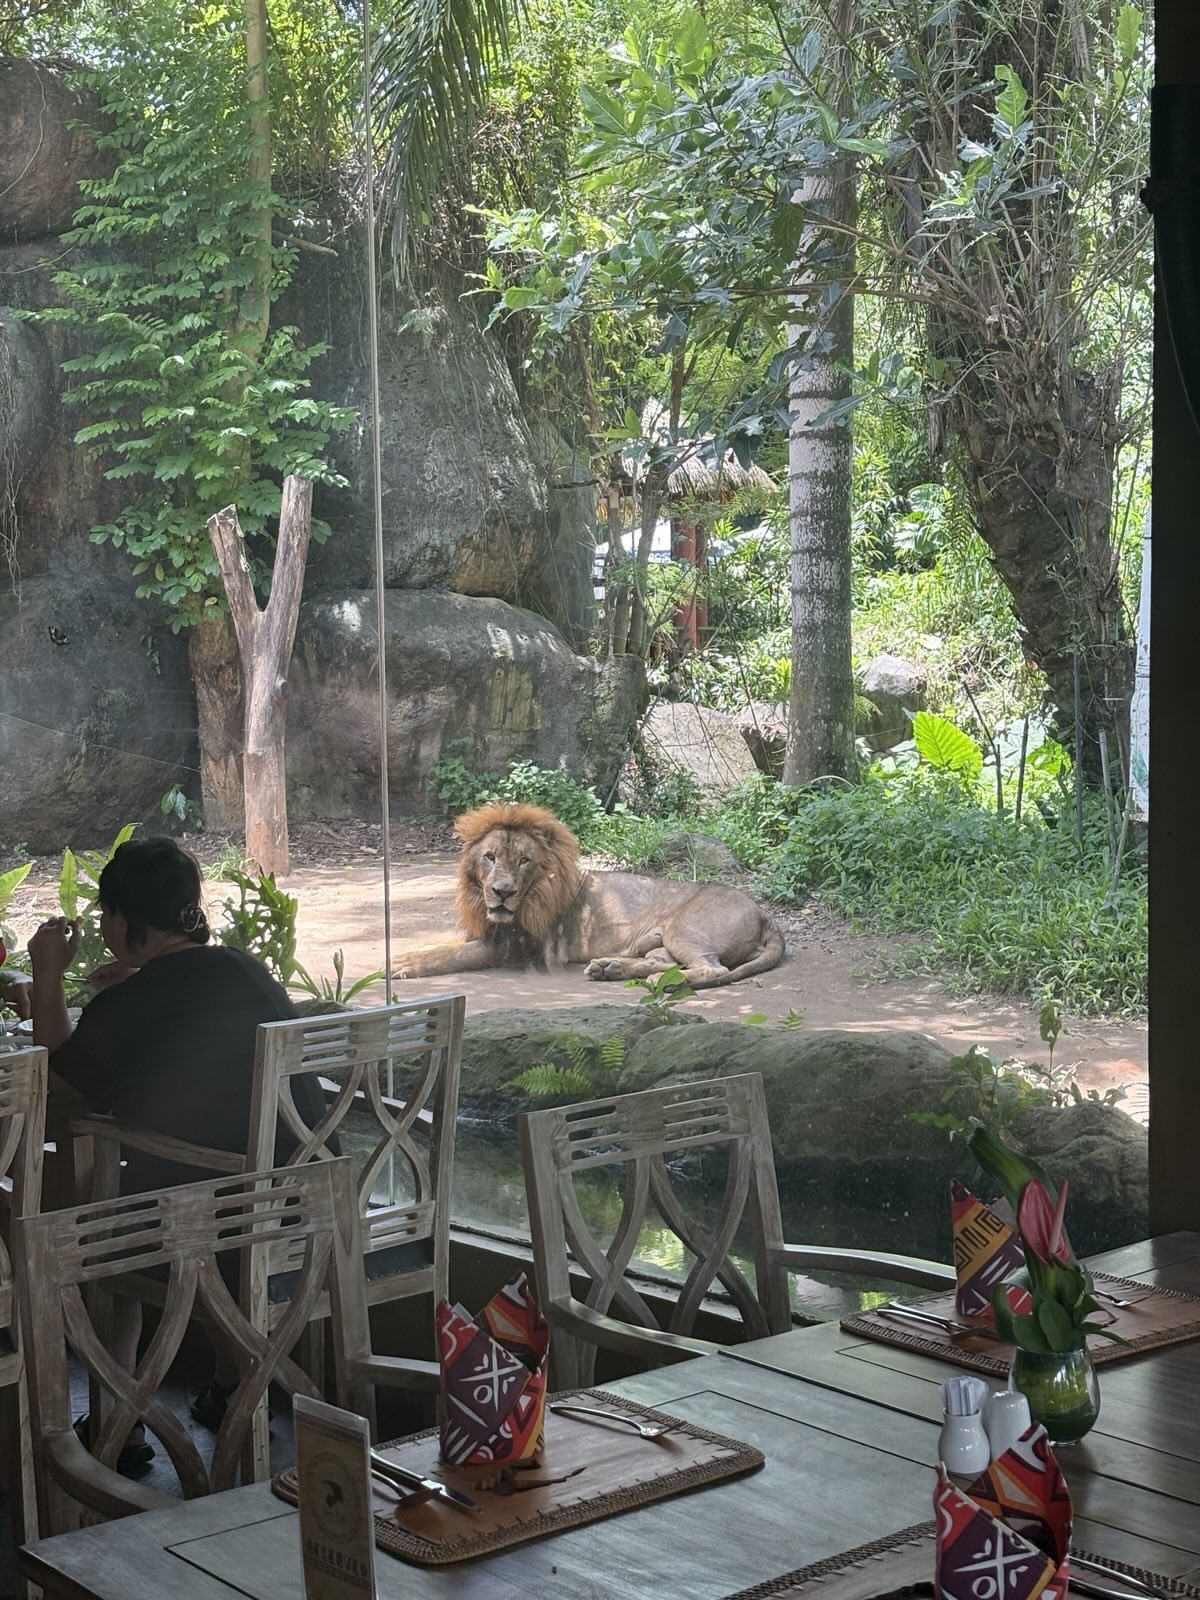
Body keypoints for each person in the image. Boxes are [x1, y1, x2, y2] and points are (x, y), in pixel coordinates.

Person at [28, 836, 328, 1469]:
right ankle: (227, 1388)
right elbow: (187, 1012)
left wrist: (48, 974)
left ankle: (122, 1421)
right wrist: (134, 984)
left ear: (117, 920)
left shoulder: (133, 1001)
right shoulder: (241, 967)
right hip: (303, 1194)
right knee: (150, 1190)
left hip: (214, 1215)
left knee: (100, 1226)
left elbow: (62, 1075)